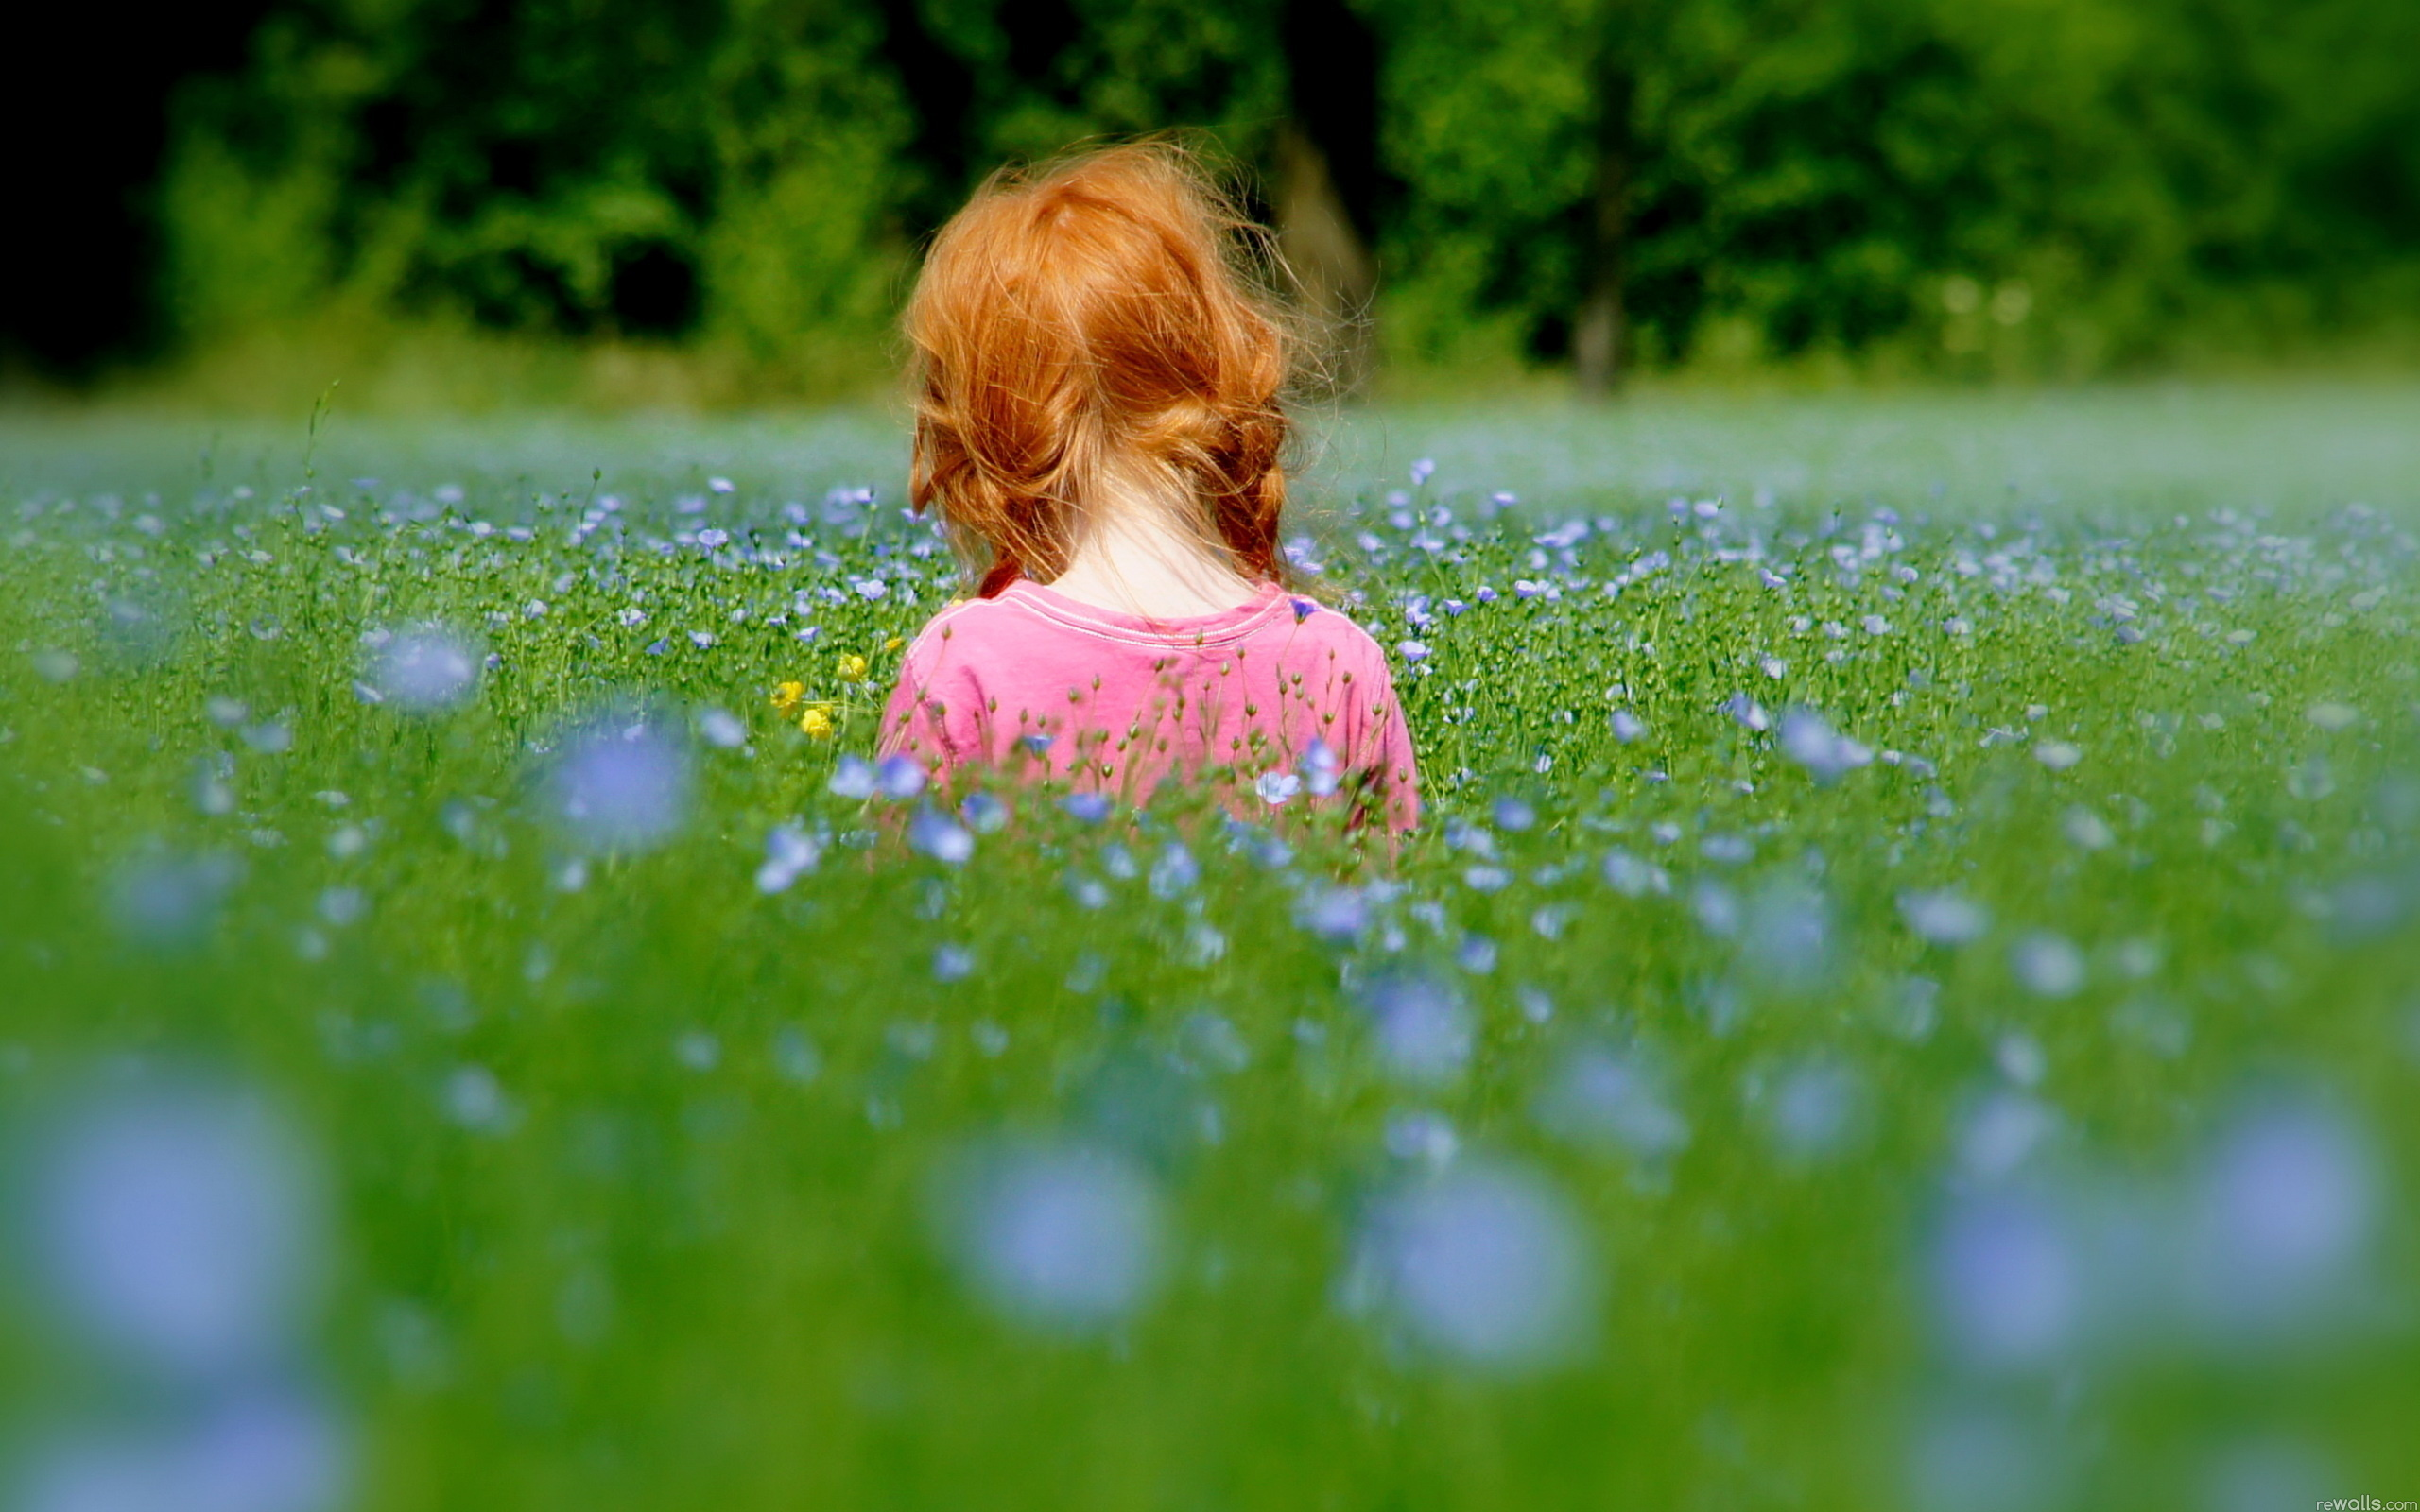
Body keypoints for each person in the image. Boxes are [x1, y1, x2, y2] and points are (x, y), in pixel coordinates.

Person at [875, 142, 1420, 833]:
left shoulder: (967, 664)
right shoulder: (1339, 666)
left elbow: (890, 921)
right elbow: (1393, 925)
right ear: (1220, 365)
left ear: (984, 428)